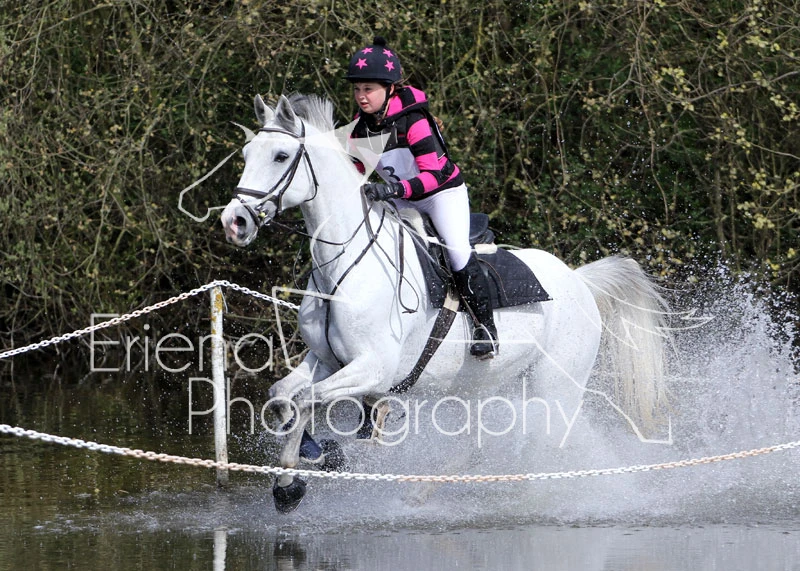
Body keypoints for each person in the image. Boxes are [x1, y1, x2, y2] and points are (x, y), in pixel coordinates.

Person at [345, 37, 498, 359]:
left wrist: (393, 190)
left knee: (457, 253)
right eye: (357, 89)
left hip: (441, 195)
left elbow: (433, 176)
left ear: (390, 88)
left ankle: (486, 329)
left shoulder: (414, 121)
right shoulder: (360, 130)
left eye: (368, 89)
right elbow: (353, 174)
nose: (361, 96)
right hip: (401, 198)